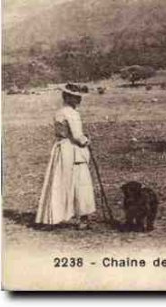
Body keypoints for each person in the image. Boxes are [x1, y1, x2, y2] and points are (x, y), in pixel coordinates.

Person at [35, 83, 96, 229]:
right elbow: (77, 136)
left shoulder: (59, 112)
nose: (78, 100)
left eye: (79, 97)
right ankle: (82, 218)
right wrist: (86, 140)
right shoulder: (72, 114)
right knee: (81, 183)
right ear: (67, 97)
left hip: (61, 149)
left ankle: (53, 216)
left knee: (58, 182)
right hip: (72, 151)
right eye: (75, 97)